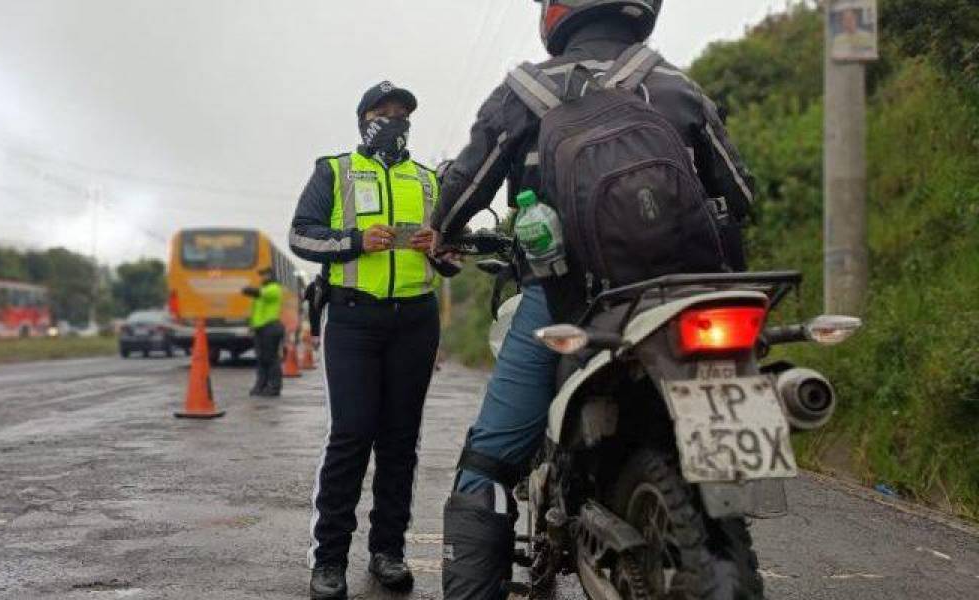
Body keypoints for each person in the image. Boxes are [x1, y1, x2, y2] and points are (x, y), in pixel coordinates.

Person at [428, 1, 757, 597]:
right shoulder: (675, 83)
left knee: (489, 460)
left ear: (559, 13)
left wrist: (444, 234)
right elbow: (739, 192)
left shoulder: (526, 90)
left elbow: (460, 194)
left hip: (569, 299)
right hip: (690, 299)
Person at [288, 80, 459, 600]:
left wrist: (439, 247)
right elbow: (300, 234)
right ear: (364, 119)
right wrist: (355, 242)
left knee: (401, 440)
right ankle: (329, 559)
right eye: (384, 112)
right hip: (352, 320)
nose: (394, 120)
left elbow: (453, 260)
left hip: (415, 320)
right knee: (352, 434)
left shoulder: (429, 180)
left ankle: (389, 551)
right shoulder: (334, 171)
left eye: (403, 113)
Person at [242, 267, 284, 397]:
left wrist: (247, 289)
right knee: (261, 359)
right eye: (262, 275)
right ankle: (261, 385)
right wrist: (251, 325)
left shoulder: (274, 288)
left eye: (265, 275)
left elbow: (259, 293)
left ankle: (274, 387)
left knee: (271, 359)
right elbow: (255, 310)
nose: (263, 277)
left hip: (270, 327)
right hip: (261, 328)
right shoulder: (263, 290)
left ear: (271, 275)